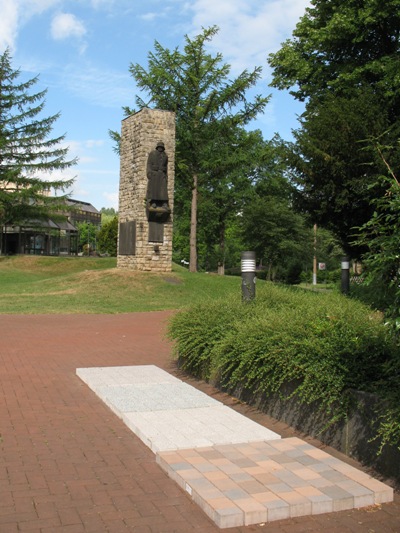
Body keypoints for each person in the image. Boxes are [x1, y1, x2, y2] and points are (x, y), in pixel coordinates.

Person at [146, 141, 169, 209]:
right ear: (157, 147)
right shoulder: (152, 154)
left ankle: (164, 203)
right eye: (159, 147)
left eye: (161, 147)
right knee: (154, 188)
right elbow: (149, 164)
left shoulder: (165, 156)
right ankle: (154, 202)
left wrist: (166, 175)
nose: (160, 148)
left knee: (163, 190)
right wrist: (149, 172)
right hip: (154, 174)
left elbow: (166, 167)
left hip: (162, 174)